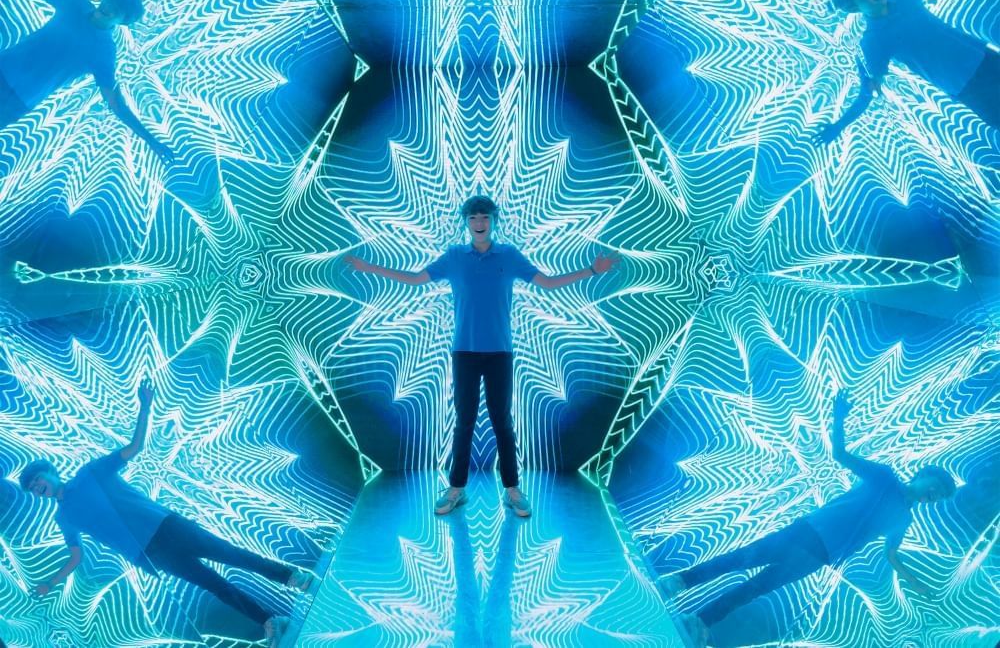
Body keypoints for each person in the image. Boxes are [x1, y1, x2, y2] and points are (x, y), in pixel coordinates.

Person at [345, 195, 621, 517]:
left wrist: (592, 270)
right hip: (463, 352)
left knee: (502, 423)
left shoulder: (509, 255)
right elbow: (415, 279)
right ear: (466, 222)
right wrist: (367, 267)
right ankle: (456, 489)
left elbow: (548, 283)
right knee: (464, 423)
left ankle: (513, 490)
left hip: (500, 352)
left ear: (493, 221)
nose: (479, 224)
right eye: (474, 218)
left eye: (485, 218)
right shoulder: (454, 257)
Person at [18, 379, 313, 647]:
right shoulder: (63, 517)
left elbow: (134, 448)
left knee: (230, 554)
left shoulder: (90, 473)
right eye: (32, 488)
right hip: (151, 554)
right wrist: (50, 583)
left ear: (50, 472)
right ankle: (270, 621)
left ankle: (291, 577)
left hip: (168, 526)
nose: (36, 488)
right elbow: (76, 556)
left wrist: (145, 406)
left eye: (36, 480)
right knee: (215, 586)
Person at [661, 389, 957, 645]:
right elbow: (841, 455)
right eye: (938, 487)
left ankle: (698, 621)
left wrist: (914, 583)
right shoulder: (885, 477)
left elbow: (892, 555)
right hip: (808, 530)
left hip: (822, 554)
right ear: (924, 475)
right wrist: (839, 415)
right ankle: (679, 582)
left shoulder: (904, 519)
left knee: (756, 588)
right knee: (743, 558)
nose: (936, 495)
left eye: (941, 496)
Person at [0, 0, 173, 162]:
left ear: (122, 21)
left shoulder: (104, 51)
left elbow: (115, 102)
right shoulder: (77, 4)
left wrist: (151, 140)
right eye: (110, 1)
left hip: (16, 101)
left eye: (116, 10)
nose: (108, 7)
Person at [815, 0, 999, 144]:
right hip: (968, 87)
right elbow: (869, 91)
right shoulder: (873, 42)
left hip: (985, 57)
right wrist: (839, 125)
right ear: (854, 8)